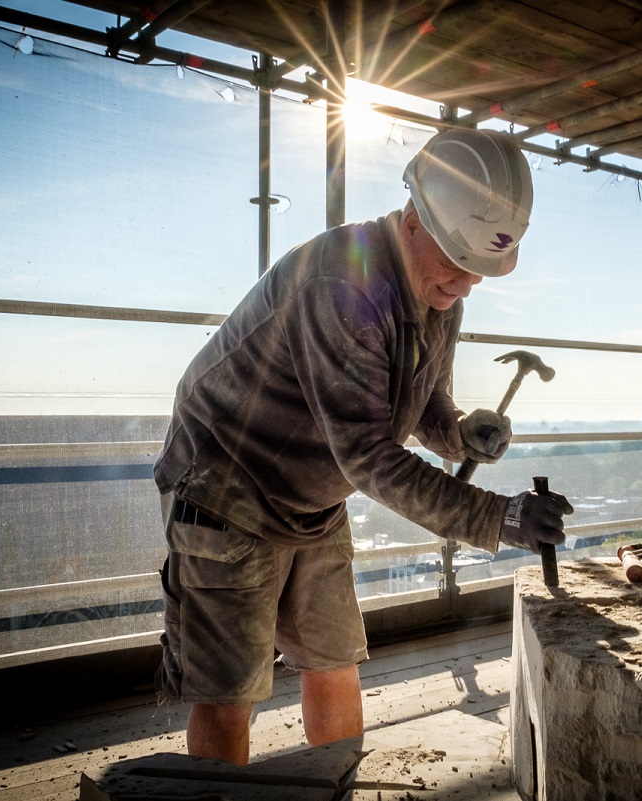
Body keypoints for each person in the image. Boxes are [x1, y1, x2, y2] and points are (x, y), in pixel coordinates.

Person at [152, 127, 573, 764]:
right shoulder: (343, 285)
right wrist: (500, 517)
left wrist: (456, 430)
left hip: (312, 496)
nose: (465, 285)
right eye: (458, 262)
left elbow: (419, 402)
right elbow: (369, 455)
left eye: (480, 271)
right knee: (230, 689)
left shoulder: (439, 294)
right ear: (412, 220)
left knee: (334, 660)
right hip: (227, 490)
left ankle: (340, 787)